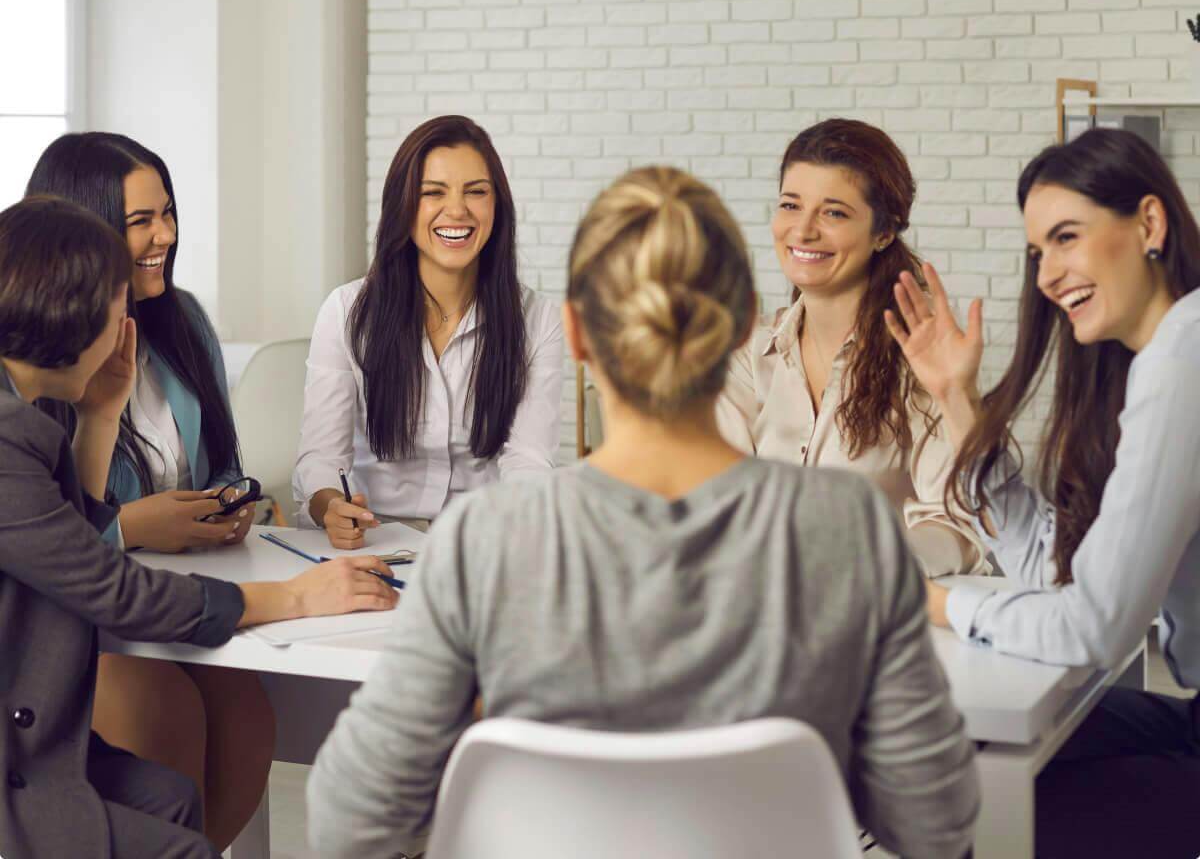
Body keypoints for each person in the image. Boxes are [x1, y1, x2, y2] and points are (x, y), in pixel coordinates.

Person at [306, 166, 979, 859]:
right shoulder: (848, 526)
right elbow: (936, 822)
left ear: (574, 332)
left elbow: (349, 823)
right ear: (746, 318)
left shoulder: (484, 538)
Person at [0, 196, 397, 859]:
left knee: (174, 797)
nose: (126, 321)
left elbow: (65, 539)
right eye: (116, 305)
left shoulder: (28, 416)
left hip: (32, 735)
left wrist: (100, 415)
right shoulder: (9, 438)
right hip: (18, 757)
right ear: (70, 311)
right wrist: (296, 596)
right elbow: (106, 584)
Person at [885, 128, 1200, 858]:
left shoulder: (1183, 361)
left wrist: (931, 602)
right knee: (952, 759)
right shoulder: (1157, 358)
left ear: (1148, 225)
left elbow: (1092, 630)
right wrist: (956, 397)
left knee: (965, 803)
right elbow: (1056, 572)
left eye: (1067, 237)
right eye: (1037, 253)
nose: (1049, 275)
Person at [25, 131, 271, 850]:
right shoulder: (40, 357)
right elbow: (38, 534)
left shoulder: (183, 321)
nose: (164, 235)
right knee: (167, 708)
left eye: (167, 213)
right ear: (86, 227)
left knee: (246, 706)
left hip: (176, 587)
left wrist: (226, 503)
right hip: (81, 614)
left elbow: (221, 461)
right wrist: (132, 525)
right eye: (141, 221)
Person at [718, 118, 989, 577]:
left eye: (834, 213)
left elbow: (959, 529)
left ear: (883, 233)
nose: (802, 231)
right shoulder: (749, 353)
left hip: (882, 618)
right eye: (790, 205)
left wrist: (863, 559)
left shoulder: (921, 357)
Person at [294, 114, 563, 546]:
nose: (457, 211)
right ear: (403, 206)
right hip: (375, 539)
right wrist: (331, 506)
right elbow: (323, 457)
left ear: (498, 206)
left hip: (482, 540)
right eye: (433, 193)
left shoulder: (536, 318)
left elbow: (528, 460)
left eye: (476, 192)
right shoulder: (346, 311)